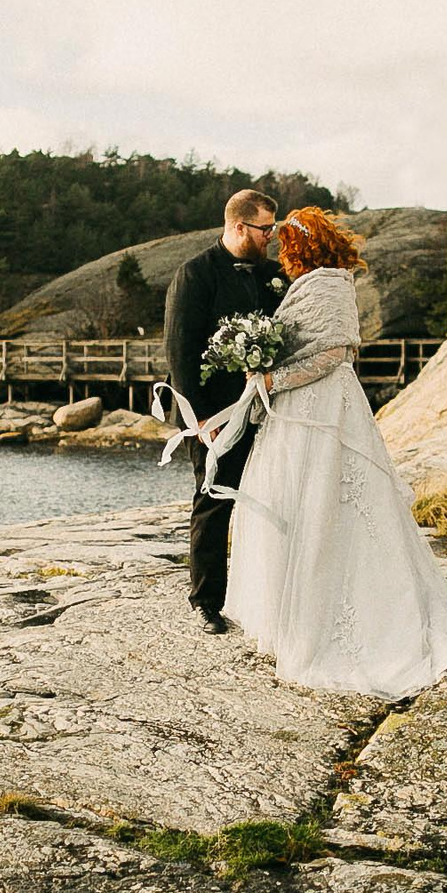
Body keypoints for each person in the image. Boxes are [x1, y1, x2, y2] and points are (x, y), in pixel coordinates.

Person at [224, 207, 447, 698]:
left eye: (286, 245)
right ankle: (290, 616)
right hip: (301, 413)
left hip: (323, 410)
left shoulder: (328, 285)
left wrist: (275, 378)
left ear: (301, 247)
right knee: (302, 505)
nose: (280, 253)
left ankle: (339, 620)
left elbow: (334, 354)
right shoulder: (311, 283)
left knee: (330, 505)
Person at [162, 189, 285, 632]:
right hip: (217, 417)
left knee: (273, 499)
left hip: (272, 411)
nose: (271, 236)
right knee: (213, 500)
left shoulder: (275, 274)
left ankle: (262, 597)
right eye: (264, 228)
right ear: (238, 227)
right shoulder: (194, 275)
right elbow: (181, 353)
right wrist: (198, 423)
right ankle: (206, 601)